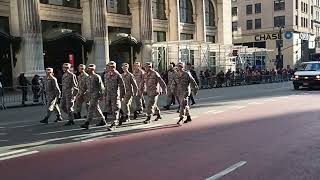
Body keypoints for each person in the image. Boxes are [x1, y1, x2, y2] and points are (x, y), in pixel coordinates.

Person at [80, 64, 106, 129]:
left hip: (95, 95)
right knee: (96, 108)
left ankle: (87, 122)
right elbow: (84, 87)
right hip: (89, 95)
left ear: (94, 69)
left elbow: (101, 87)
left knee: (91, 107)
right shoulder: (87, 77)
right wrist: (80, 94)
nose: (90, 70)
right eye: (89, 69)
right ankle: (102, 120)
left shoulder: (97, 76)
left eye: (91, 69)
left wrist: (102, 95)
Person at [104, 61, 126, 131]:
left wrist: (122, 95)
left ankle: (114, 123)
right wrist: (105, 94)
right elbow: (106, 86)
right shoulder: (106, 75)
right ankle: (122, 115)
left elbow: (122, 86)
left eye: (113, 67)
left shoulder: (117, 75)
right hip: (108, 95)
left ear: (115, 67)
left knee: (115, 109)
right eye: (110, 67)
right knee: (110, 108)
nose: (111, 68)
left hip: (115, 95)